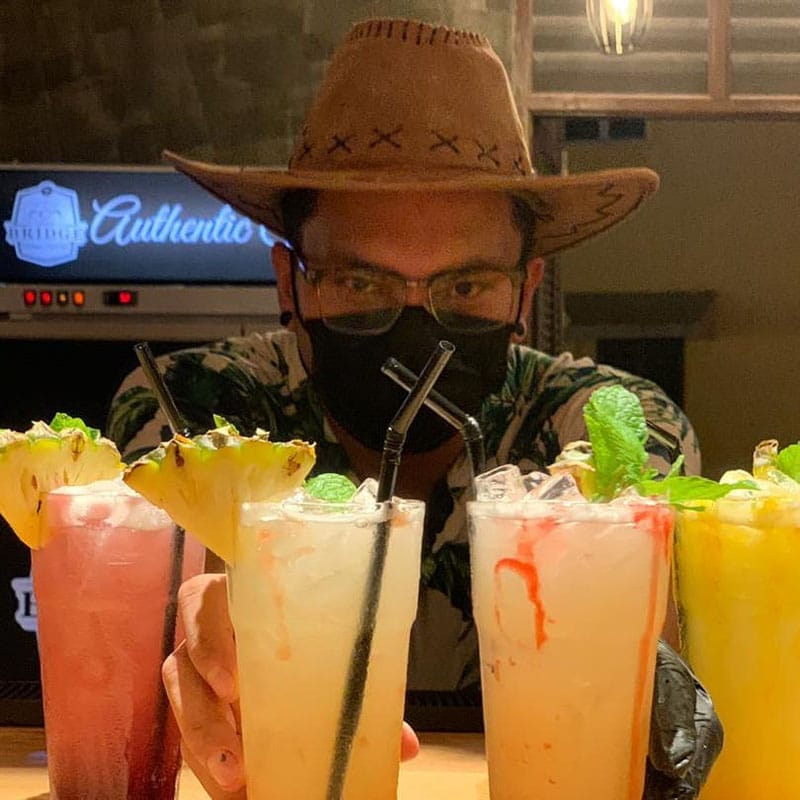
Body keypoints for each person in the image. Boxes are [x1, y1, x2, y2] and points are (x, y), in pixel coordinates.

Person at [107, 17, 721, 800]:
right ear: (289, 283)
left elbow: (649, 627)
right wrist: (205, 628)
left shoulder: (601, 420)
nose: (416, 325)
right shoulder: (196, 412)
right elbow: (176, 596)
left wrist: (642, 664)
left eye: (465, 285)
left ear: (524, 293)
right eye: (361, 282)